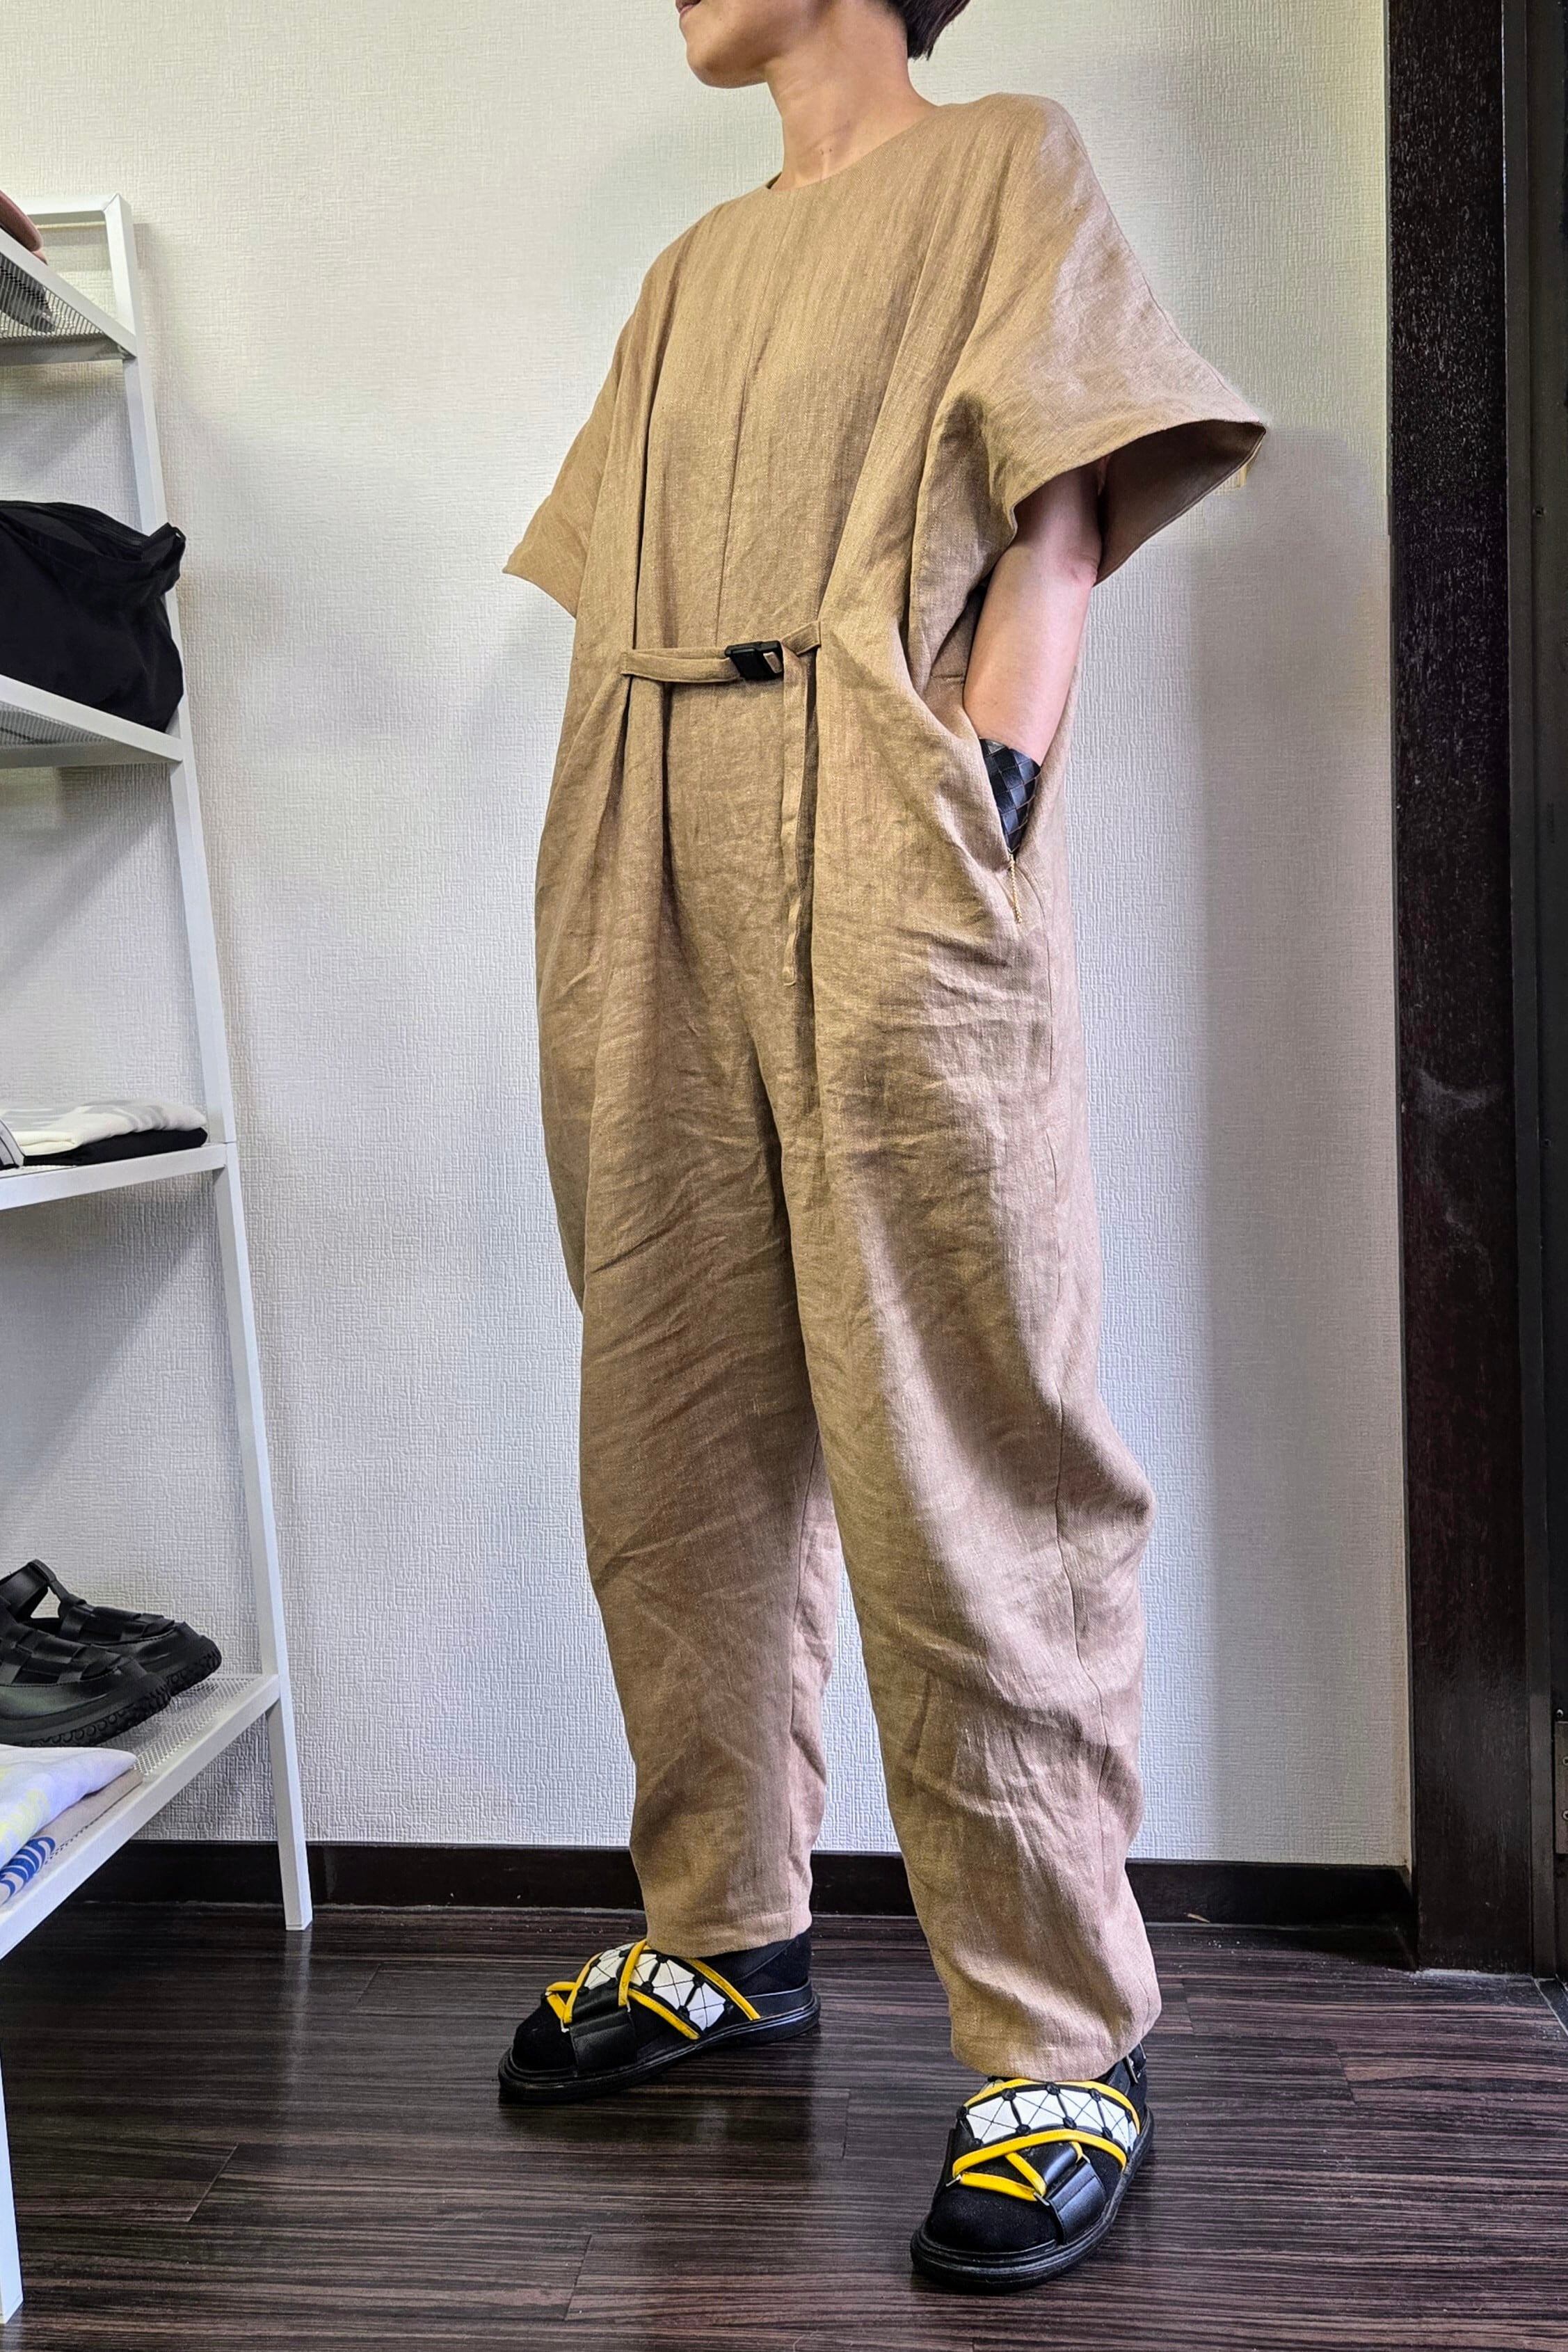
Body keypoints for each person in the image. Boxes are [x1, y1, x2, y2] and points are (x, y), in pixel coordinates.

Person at [499, 0, 1265, 2293]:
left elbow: (1065, 511)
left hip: (885, 811)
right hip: (646, 817)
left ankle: (1059, 2030)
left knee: (960, 1423)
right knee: (668, 1415)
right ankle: (724, 1926)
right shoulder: (691, 271)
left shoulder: (1003, 157)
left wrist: (980, 791)